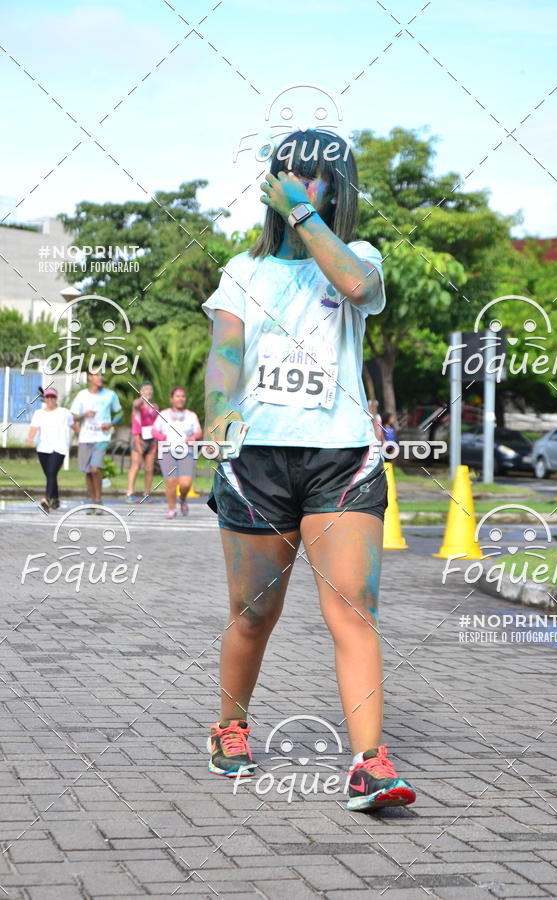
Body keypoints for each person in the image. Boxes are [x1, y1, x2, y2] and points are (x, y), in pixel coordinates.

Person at [202, 129, 416, 811]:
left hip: (341, 457)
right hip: (256, 459)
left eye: (316, 176)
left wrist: (303, 214)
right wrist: (216, 408)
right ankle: (231, 726)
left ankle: (369, 764)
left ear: (337, 188)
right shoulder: (244, 270)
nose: (300, 183)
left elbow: (354, 283)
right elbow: (226, 352)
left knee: (354, 607)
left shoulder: (360, 258)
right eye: (288, 173)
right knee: (254, 613)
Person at [70, 372, 122, 513]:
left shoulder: (110, 395)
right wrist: (84, 415)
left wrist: (111, 423)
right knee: (88, 471)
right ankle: (92, 501)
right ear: (89, 377)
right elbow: (72, 417)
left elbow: (119, 413)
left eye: (101, 374)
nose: (100, 377)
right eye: (96, 374)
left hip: (102, 437)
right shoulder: (82, 395)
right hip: (85, 437)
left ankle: (99, 501)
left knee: (95, 468)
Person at [152, 387, 202, 520]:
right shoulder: (164, 414)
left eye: (183, 396)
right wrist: (161, 437)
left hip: (186, 451)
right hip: (167, 451)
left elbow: (198, 432)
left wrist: (193, 438)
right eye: (177, 396)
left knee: (185, 483)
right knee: (171, 481)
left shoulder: (191, 415)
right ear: (171, 399)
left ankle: (183, 499)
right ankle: (172, 509)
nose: (180, 399)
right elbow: (154, 431)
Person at [27, 387, 76, 513]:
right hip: (43, 448)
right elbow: (34, 428)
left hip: (59, 448)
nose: (50, 399)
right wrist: (30, 438)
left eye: (52, 397)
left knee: (51, 473)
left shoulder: (64, 412)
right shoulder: (39, 413)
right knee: (50, 475)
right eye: (47, 397)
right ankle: (56, 500)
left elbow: (73, 425)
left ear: (56, 398)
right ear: (44, 398)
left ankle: (47, 499)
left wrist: (84, 436)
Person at [127, 381, 159, 503]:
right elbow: (135, 404)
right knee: (135, 465)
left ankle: (147, 493)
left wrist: (156, 442)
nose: (148, 391)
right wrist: (143, 398)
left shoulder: (155, 406)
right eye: (145, 389)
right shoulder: (138, 405)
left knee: (149, 468)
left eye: (150, 389)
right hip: (138, 438)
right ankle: (130, 493)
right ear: (140, 391)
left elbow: (156, 424)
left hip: (151, 439)